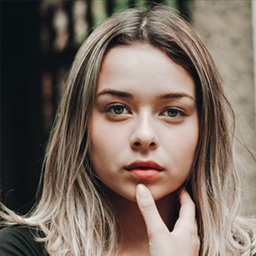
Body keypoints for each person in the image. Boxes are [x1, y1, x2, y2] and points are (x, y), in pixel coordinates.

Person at [1, 5, 256, 256]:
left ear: (206, 129)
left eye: (172, 112)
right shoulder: (16, 249)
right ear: (80, 125)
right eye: (118, 109)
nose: (144, 136)